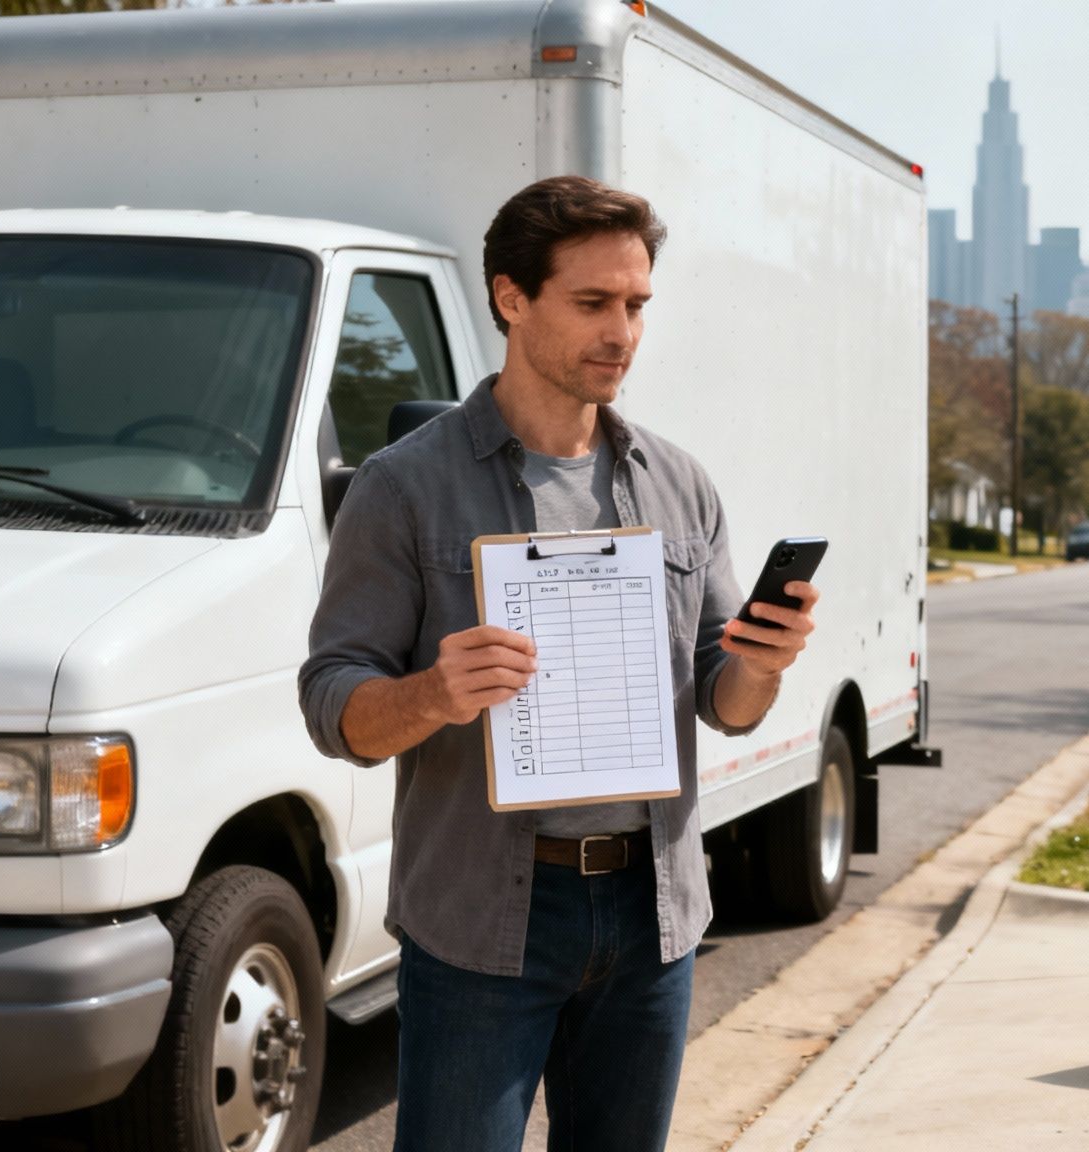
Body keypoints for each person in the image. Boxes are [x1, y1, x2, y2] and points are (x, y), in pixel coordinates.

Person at [298, 175, 818, 1152]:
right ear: (511, 298)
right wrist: (431, 693)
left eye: (635, 306)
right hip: (484, 916)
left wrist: (765, 662)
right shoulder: (404, 487)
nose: (621, 331)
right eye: (591, 303)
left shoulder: (678, 483)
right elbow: (332, 702)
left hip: (652, 912)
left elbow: (725, 699)